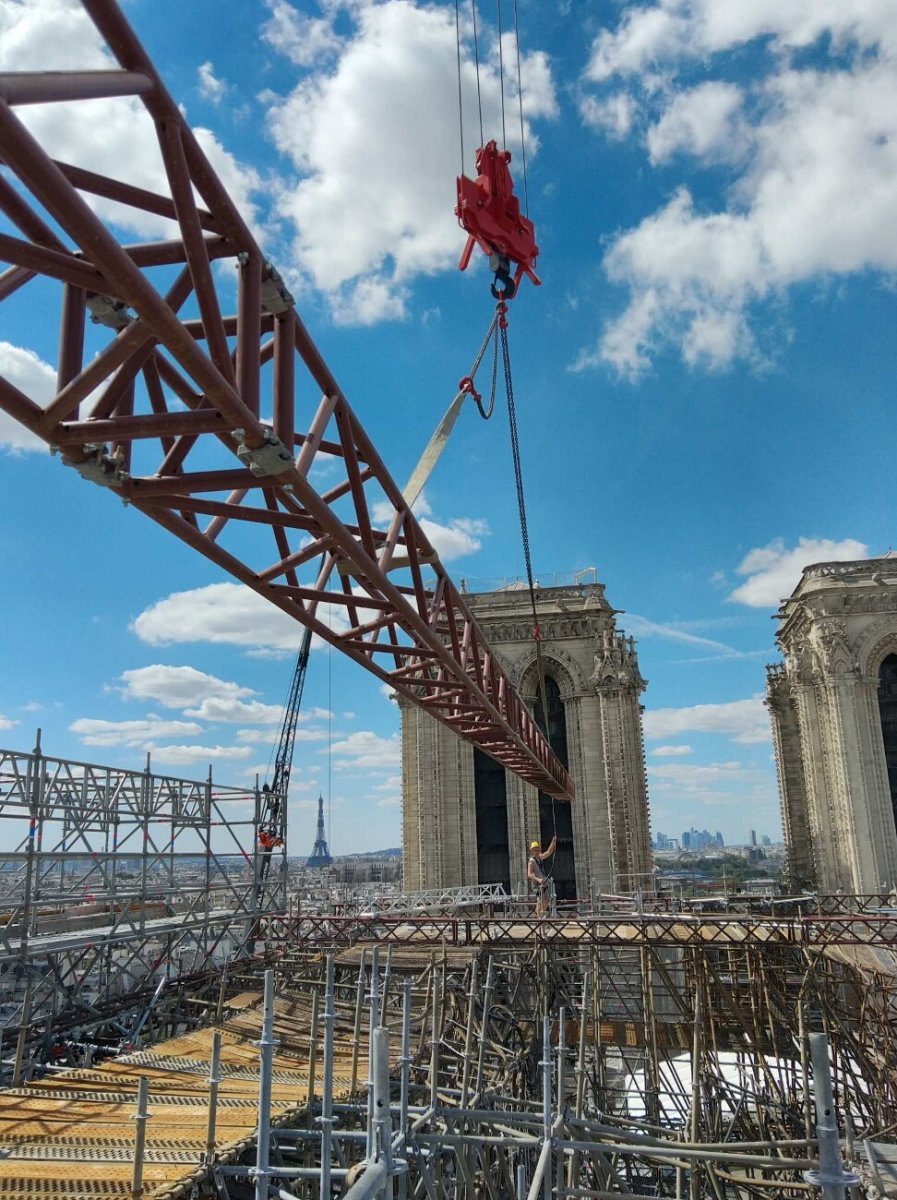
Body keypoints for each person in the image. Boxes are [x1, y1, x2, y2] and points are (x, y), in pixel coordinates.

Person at [527, 835, 557, 916]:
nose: (537, 851)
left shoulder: (539, 858)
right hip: (538, 885)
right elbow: (529, 874)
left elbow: (549, 852)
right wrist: (538, 879)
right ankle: (539, 918)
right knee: (540, 901)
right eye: (535, 850)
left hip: (543, 883)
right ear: (532, 851)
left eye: (538, 850)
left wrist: (553, 842)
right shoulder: (531, 861)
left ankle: (541, 915)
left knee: (546, 900)